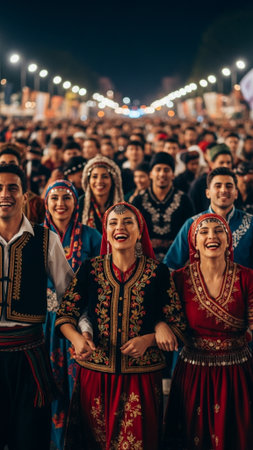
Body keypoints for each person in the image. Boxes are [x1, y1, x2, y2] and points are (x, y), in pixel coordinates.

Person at [55, 202, 186, 450]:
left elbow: (177, 322)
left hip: (141, 379)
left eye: (128, 222)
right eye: (113, 223)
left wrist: (149, 337)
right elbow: (65, 314)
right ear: (106, 231)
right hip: (95, 375)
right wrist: (77, 339)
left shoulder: (157, 272)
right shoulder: (91, 269)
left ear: (139, 231)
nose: (120, 227)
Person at [158, 213, 253, 449]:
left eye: (219, 230)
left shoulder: (247, 278)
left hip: (236, 373)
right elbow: (160, 314)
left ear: (229, 240)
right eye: (204, 231)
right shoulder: (178, 279)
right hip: (192, 372)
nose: (212, 236)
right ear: (194, 241)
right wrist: (160, 325)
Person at [0, 164, 75, 450]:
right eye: (0, 188)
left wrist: (82, 333)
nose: (5, 194)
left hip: (29, 355)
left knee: (29, 439)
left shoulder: (46, 239)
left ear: (24, 194)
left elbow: (69, 296)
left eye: (12, 188)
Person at [43, 179, 101, 450]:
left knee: (83, 388)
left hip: (83, 321)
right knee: (48, 386)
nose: (60, 204)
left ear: (76, 203)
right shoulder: (36, 236)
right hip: (43, 324)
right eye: (54, 198)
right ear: (46, 203)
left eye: (66, 197)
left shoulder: (92, 237)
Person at [164, 167, 253, 270]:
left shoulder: (251, 223)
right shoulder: (192, 224)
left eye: (229, 186)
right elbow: (170, 265)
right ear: (208, 193)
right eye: (218, 186)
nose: (224, 190)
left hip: (244, 285)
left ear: (236, 193)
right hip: (201, 286)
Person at [132, 152, 194, 260]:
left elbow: (191, 234)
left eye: (166, 170)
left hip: (177, 260)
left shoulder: (184, 200)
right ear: (150, 174)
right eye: (158, 169)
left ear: (173, 174)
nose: (162, 174)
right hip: (145, 261)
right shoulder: (138, 200)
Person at [79, 155, 124, 234]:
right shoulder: (78, 205)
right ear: (88, 181)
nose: (99, 181)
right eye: (95, 176)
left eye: (105, 176)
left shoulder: (124, 208)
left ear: (113, 181)